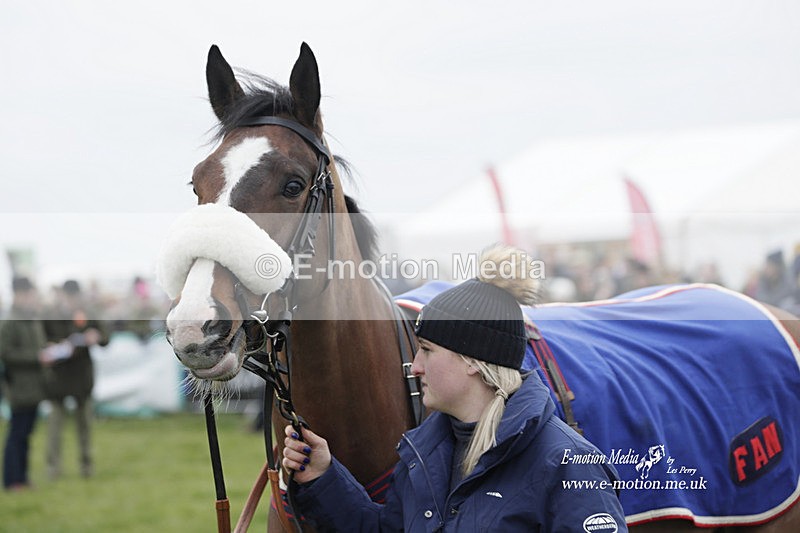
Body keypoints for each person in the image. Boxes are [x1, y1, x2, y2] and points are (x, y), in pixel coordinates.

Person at [282, 245, 627, 531]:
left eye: (427, 350)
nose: (415, 366)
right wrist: (324, 476)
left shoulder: (567, 463)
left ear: (473, 361)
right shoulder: (423, 451)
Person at [42, 280, 109, 479]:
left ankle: (86, 466)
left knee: (84, 425)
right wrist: (57, 346)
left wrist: (95, 336)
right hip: (59, 377)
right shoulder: (51, 314)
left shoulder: (88, 312)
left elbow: (105, 337)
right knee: (55, 424)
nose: (71, 300)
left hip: (82, 377)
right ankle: (53, 468)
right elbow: (42, 341)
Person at [0, 277, 47, 490]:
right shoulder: (10, 322)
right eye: (30, 294)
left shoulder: (31, 318)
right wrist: (36, 357)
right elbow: (6, 353)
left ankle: (23, 477)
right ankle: (12, 480)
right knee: (16, 435)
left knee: (26, 434)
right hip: (19, 387)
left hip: (35, 386)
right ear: (20, 294)